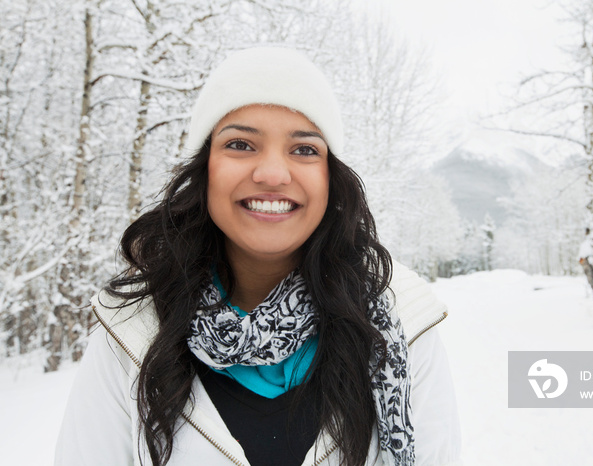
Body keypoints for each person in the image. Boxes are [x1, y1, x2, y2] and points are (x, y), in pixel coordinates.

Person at [55, 46, 461, 466]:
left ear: (331, 179)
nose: (272, 173)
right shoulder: (130, 330)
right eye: (240, 144)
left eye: (304, 149)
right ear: (204, 168)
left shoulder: (402, 324)